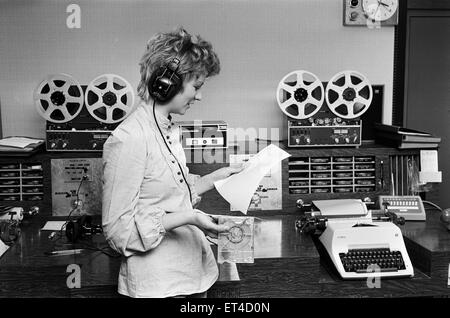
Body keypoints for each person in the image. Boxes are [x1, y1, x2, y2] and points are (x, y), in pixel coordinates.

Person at [101, 27, 242, 298]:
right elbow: (119, 232)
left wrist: (221, 175)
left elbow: (171, 196)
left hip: (192, 277)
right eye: (197, 87)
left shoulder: (166, 129)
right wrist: (190, 217)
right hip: (159, 287)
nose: (199, 97)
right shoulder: (129, 138)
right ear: (167, 83)